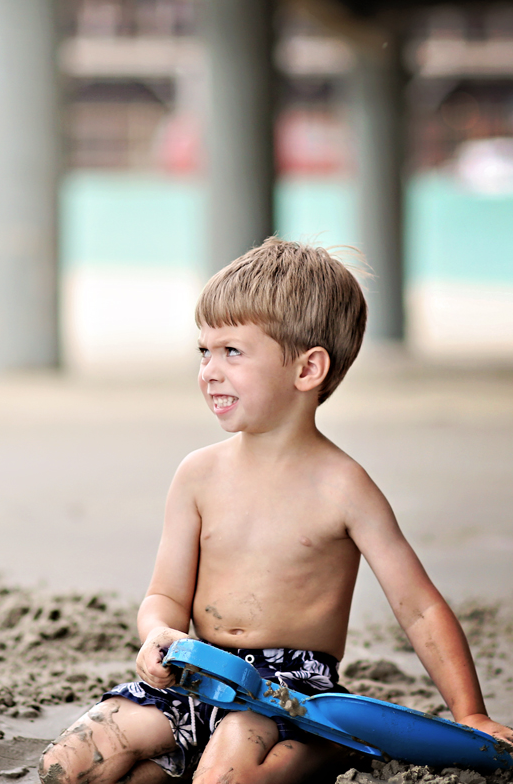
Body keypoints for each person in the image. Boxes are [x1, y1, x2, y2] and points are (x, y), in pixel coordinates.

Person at [38, 239, 513, 784]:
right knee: (65, 767)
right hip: (197, 671)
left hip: (292, 690)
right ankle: (206, 755)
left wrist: (468, 713)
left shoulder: (344, 487)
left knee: (226, 778)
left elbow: (419, 608)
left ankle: (332, 747)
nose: (210, 371)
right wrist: (158, 635)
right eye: (204, 351)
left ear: (308, 369)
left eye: (232, 352)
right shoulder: (197, 475)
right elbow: (165, 595)